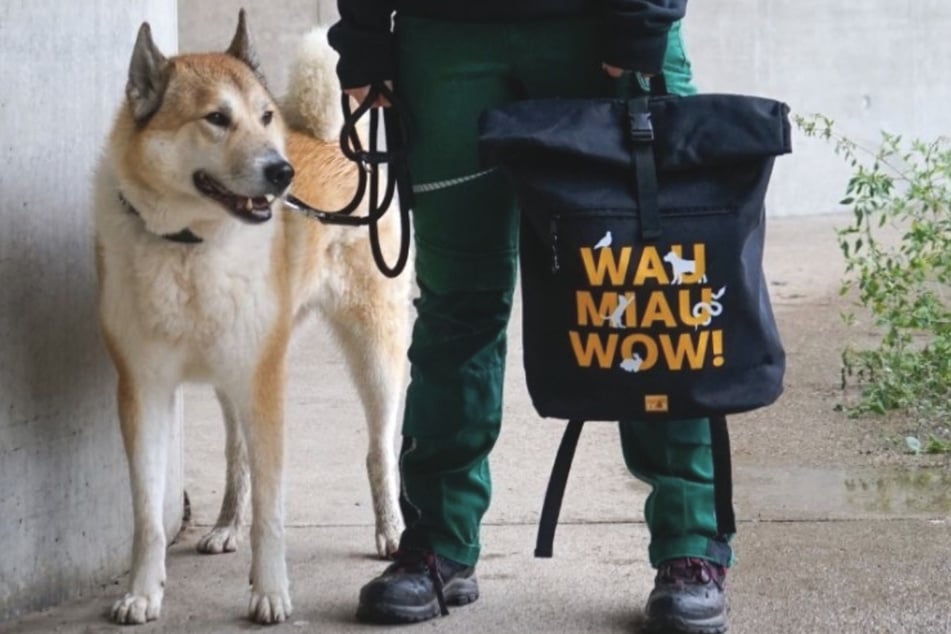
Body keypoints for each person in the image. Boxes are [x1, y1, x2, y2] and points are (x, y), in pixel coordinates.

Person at [328, 2, 732, 632]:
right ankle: (439, 541)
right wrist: (363, 33)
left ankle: (690, 545)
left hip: (600, 28)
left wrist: (646, 18)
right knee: (457, 302)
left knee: (655, 303)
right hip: (445, 40)